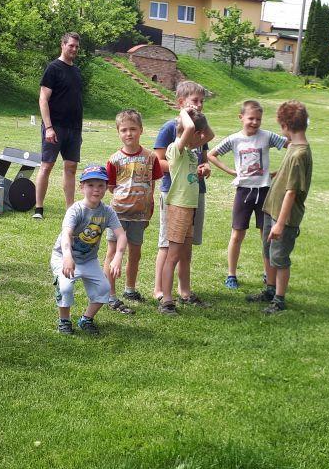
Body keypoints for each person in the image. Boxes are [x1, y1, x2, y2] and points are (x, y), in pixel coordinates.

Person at [207, 99, 288, 290]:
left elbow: (291, 145)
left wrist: (280, 171)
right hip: (244, 191)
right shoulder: (234, 139)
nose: (254, 122)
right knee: (237, 234)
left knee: (266, 235)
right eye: (251, 118)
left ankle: (268, 274)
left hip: (264, 191)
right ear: (241, 117)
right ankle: (231, 275)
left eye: (258, 119)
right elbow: (211, 155)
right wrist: (231, 171)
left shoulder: (267, 136)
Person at [247, 101, 311, 314]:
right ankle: (270, 289)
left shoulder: (299, 154)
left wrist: (280, 224)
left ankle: (279, 299)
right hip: (271, 209)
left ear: (285, 126)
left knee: (280, 258)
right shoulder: (293, 147)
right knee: (268, 251)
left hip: (285, 217)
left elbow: (291, 192)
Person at [153, 81, 212, 302]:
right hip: (174, 194)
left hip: (193, 194)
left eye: (202, 101)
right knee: (167, 245)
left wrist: (203, 167)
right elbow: (158, 161)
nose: (199, 105)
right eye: (195, 101)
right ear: (181, 102)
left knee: (187, 247)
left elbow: (203, 156)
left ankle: (184, 290)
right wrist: (180, 166)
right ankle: (160, 289)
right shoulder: (172, 127)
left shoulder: (198, 129)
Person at [51, 164, 126, 335]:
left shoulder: (107, 212)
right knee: (65, 287)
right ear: (82, 187)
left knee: (104, 288)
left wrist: (118, 256)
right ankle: (64, 320)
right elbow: (66, 234)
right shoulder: (75, 210)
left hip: (88, 259)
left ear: (106, 187)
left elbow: (121, 235)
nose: (96, 189)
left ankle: (86, 319)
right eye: (90, 185)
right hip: (64, 256)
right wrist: (67, 256)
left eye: (100, 185)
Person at [103, 109, 162, 313]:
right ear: (118, 132)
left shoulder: (151, 157)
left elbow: (152, 183)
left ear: (141, 130)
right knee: (112, 252)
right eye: (124, 130)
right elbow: (111, 187)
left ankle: (130, 289)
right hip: (118, 214)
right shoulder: (114, 160)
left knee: (135, 253)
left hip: (140, 215)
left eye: (133, 129)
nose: (129, 133)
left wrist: (148, 205)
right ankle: (110, 294)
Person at [34, 32, 83, 218]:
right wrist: (48, 128)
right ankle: (39, 208)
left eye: (76, 46)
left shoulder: (77, 71)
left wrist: (78, 130)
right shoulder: (53, 68)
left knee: (71, 167)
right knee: (46, 166)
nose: (74, 49)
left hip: (74, 129)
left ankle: (70, 209)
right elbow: (43, 99)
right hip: (54, 127)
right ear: (62, 45)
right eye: (71, 45)